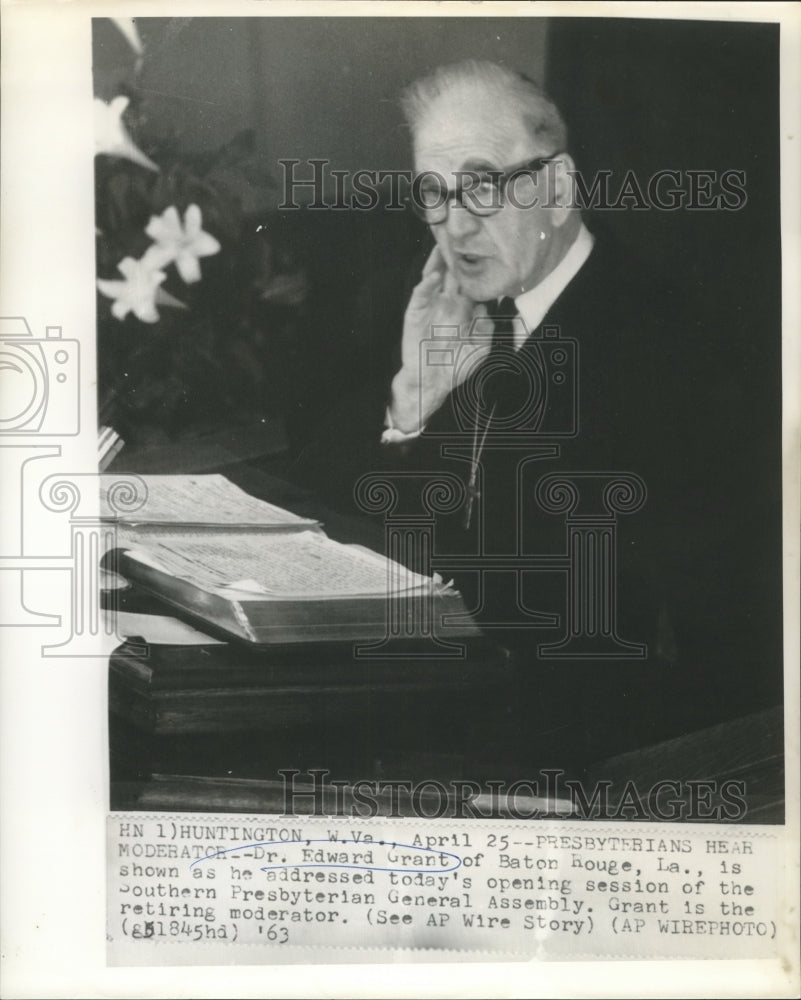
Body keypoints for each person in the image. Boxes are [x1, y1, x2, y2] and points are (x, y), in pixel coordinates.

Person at [291, 60, 781, 778]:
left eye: (481, 185)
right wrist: (413, 396)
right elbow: (313, 486)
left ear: (555, 189)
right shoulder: (447, 303)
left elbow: (620, 618)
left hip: (594, 752)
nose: (454, 224)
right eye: (433, 191)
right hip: (446, 701)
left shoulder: (668, 345)